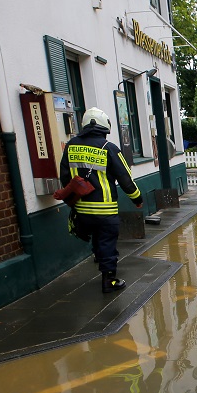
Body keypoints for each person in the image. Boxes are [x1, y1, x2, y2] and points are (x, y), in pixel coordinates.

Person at [59, 107, 143, 292]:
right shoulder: (109, 148)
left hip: (82, 209)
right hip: (105, 209)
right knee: (107, 242)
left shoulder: (71, 146)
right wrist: (137, 198)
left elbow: (65, 177)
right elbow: (125, 179)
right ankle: (109, 280)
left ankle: (99, 256)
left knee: (97, 239)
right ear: (105, 126)